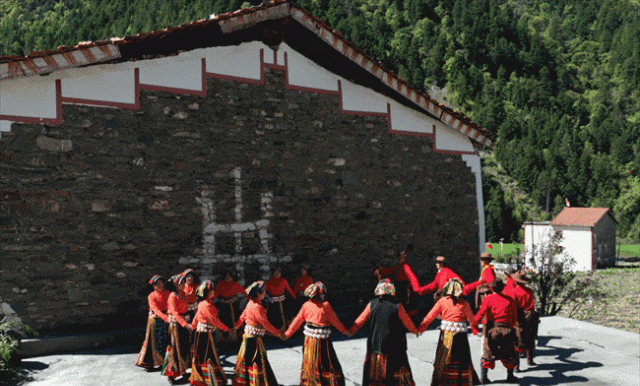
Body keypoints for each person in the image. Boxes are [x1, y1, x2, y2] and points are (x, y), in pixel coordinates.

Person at [350, 279, 419, 386]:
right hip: (395, 347)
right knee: (396, 374)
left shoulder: (372, 304)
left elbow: (360, 320)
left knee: (376, 376)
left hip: (376, 346)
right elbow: (407, 322)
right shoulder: (397, 305)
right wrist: (415, 330)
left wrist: (350, 331)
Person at [285, 282, 351, 386]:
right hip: (322, 341)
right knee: (328, 364)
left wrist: (287, 334)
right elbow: (335, 321)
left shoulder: (306, 306)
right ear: (318, 294)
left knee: (310, 364)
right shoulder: (325, 306)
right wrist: (345, 331)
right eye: (323, 293)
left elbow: (297, 321)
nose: (324, 295)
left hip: (309, 341)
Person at [418, 278, 480, 386]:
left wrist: (422, 327)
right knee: (462, 359)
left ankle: (444, 382)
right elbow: (472, 320)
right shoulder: (464, 303)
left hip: (446, 336)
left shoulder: (442, 301)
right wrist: (475, 329)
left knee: (444, 359)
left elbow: (430, 316)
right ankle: (462, 382)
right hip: (460, 336)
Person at [233, 280, 287, 386]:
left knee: (247, 361)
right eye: (264, 292)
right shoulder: (257, 307)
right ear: (258, 293)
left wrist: (235, 326)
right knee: (257, 362)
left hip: (248, 338)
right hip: (254, 340)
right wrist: (278, 333)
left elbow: (243, 316)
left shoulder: (250, 303)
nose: (265, 293)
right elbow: (265, 323)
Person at [474, 279, 518, 384]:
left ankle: (483, 378)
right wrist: (509, 327)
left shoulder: (487, 299)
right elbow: (513, 317)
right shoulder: (510, 300)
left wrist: (474, 325)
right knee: (509, 353)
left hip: (491, 330)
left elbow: (480, 314)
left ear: (491, 288)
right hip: (506, 330)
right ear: (503, 288)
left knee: (487, 353)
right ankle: (510, 377)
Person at [189, 280, 233, 386]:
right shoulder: (206, 305)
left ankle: (205, 377)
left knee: (206, 355)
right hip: (205, 334)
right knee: (208, 356)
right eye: (212, 290)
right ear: (207, 293)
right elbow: (213, 320)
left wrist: (192, 326)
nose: (214, 292)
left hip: (204, 333)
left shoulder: (204, 303)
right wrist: (226, 329)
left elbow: (196, 317)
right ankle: (208, 378)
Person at [162, 274, 194, 384]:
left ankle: (183, 370)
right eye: (181, 283)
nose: (183, 284)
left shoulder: (183, 294)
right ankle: (171, 374)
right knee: (175, 349)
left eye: (183, 282)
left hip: (183, 324)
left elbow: (187, 307)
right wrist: (185, 324)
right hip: (176, 325)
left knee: (184, 348)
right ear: (176, 285)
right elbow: (175, 313)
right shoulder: (172, 296)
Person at [504, 271, 539, 370]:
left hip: (519, 318)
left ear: (516, 281)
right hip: (531, 318)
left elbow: (512, 307)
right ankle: (530, 360)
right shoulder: (530, 291)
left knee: (517, 342)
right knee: (530, 340)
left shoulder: (513, 292)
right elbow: (532, 304)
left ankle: (516, 366)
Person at [135, 275, 171, 371]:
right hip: (156, 321)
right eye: (157, 284)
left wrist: (169, 316)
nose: (160, 285)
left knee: (166, 340)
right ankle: (152, 362)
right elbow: (155, 309)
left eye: (161, 283)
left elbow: (170, 305)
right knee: (154, 342)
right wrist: (165, 318)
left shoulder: (168, 293)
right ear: (153, 286)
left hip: (167, 319)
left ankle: (165, 362)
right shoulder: (151, 296)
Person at [214, 270, 248, 341]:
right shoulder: (221, 284)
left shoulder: (235, 284)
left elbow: (243, 291)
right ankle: (225, 338)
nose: (228, 278)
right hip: (223, 307)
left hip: (234, 306)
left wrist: (251, 298)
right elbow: (216, 294)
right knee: (224, 321)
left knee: (236, 320)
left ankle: (237, 336)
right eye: (226, 276)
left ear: (232, 277)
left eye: (229, 276)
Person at [265, 267, 296, 331]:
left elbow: (288, 289)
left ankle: (283, 328)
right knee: (272, 315)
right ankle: (272, 329)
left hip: (281, 301)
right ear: (273, 273)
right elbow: (265, 290)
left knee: (282, 315)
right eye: (275, 272)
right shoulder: (269, 281)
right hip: (272, 302)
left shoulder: (283, 281)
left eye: (278, 272)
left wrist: (293, 296)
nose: (276, 273)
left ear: (281, 273)